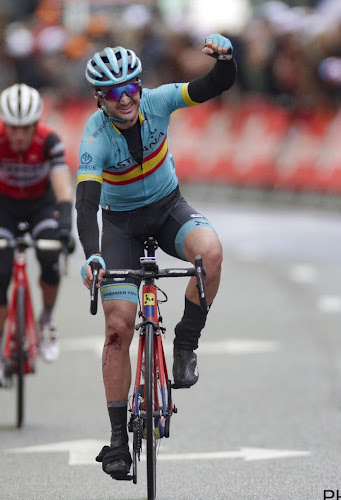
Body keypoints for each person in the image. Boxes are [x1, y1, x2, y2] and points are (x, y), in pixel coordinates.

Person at [76, 35, 236, 479]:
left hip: (169, 209)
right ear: (99, 99)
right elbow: (86, 205)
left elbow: (213, 86)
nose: (125, 99)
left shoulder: (159, 100)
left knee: (212, 252)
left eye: (131, 89)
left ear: (140, 87)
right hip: (122, 226)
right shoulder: (94, 136)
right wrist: (92, 255)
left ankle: (185, 343)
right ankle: (116, 441)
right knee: (117, 328)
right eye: (113, 93)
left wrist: (225, 61)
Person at [0, 83, 75, 388]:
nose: (18, 135)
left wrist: (66, 227)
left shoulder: (48, 141)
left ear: (36, 124)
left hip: (40, 207)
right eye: (12, 127)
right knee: (0, 274)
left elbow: (63, 189)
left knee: (49, 257)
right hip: (4, 207)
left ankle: (46, 322)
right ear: (3, 124)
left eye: (25, 128)